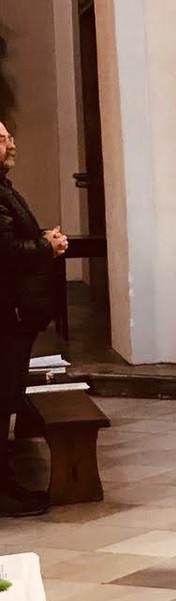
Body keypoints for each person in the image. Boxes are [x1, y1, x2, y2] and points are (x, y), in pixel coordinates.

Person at [0, 121, 66, 516]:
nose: (11, 144)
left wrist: (43, 237)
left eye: (9, 137)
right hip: (5, 312)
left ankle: (7, 483)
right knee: (2, 398)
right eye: (2, 139)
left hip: (13, 312)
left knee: (8, 397)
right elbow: (5, 249)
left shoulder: (4, 187)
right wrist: (46, 246)